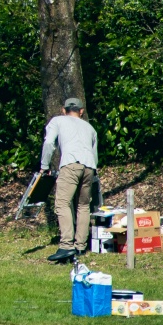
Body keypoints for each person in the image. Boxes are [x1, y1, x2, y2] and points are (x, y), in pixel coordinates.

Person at [42, 97, 98, 264]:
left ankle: (66, 245)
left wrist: (44, 165)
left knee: (62, 203)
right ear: (81, 111)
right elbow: (95, 154)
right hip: (89, 166)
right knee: (83, 205)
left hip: (71, 163)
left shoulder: (58, 120)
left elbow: (49, 143)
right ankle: (80, 245)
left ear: (63, 110)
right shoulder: (90, 128)